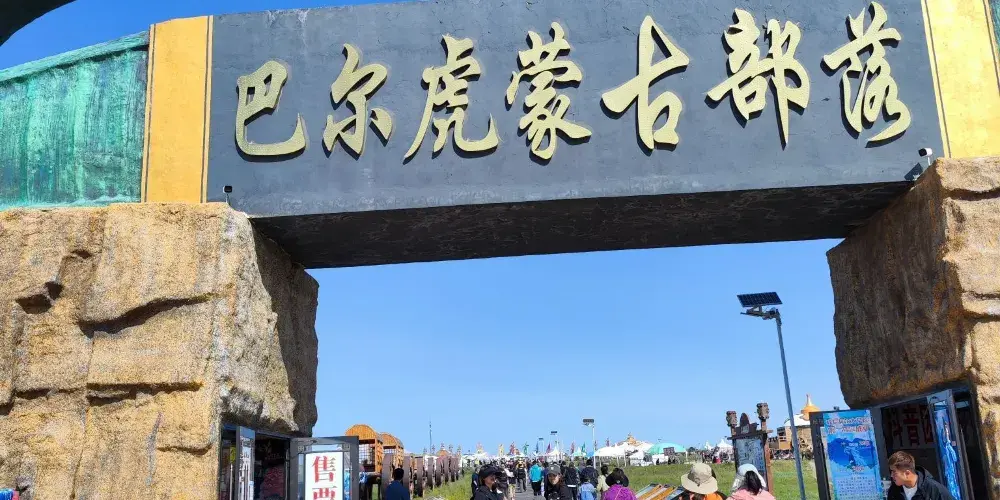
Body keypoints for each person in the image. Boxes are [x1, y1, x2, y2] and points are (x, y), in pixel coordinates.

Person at [886, 451, 955, 500]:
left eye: (894, 472)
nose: (891, 475)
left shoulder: (933, 489)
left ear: (907, 473)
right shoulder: (894, 491)